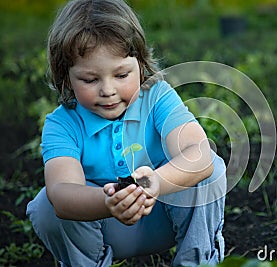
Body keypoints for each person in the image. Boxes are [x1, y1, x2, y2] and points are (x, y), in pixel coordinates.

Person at [26, 0, 226, 266]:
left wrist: (154, 183)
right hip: (104, 225)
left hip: (163, 215)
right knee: (46, 206)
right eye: (90, 79)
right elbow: (62, 192)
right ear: (67, 78)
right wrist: (109, 201)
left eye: (121, 75)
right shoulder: (63, 124)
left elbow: (199, 154)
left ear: (141, 65)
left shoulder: (156, 97)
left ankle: (196, 261)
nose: (107, 90)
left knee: (207, 167)